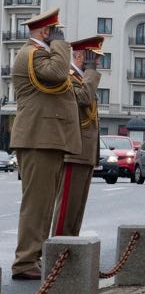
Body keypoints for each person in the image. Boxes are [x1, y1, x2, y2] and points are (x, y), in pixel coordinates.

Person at [10, 9, 82, 280]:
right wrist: (61, 45)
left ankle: (32, 258)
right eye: (57, 31)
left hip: (45, 138)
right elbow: (56, 75)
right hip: (38, 138)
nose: (61, 37)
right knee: (37, 204)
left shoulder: (39, 53)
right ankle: (25, 261)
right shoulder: (34, 54)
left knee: (43, 203)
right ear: (46, 32)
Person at [52, 36, 103, 237]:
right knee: (66, 209)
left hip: (85, 153)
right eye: (93, 58)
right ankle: (58, 249)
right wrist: (90, 72)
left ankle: (71, 249)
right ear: (80, 55)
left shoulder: (84, 80)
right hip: (73, 152)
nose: (96, 63)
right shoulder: (67, 77)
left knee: (76, 211)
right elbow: (82, 99)